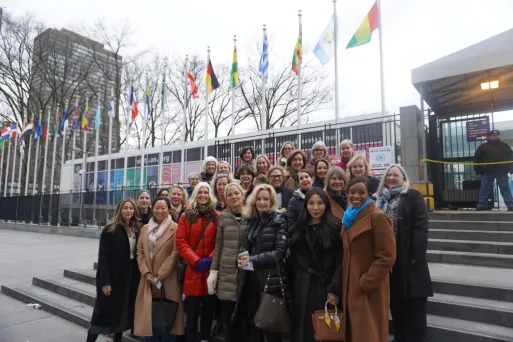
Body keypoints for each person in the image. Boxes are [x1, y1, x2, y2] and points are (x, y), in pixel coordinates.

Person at [375, 164, 433, 342]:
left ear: (403, 178)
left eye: (395, 175)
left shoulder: (413, 196)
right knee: (397, 311)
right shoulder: (379, 200)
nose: (391, 178)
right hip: (389, 264)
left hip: (409, 263)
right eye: (388, 175)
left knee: (414, 314)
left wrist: (415, 257)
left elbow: (421, 228)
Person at [341, 176, 396, 342]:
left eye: (361, 192)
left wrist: (366, 282)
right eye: (352, 192)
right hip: (351, 285)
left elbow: (387, 256)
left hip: (370, 288)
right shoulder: (349, 217)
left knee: (369, 333)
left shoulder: (377, 217)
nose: (356, 196)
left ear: (369, 194)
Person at [234, 184, 290, 342]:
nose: (262, 202)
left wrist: (252, 260)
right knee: (253, 325)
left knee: (270, 326)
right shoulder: (252, 220)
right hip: (250, 279)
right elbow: (244, 245)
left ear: (272, 201)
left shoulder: (279, 220)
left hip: (269, 280)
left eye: (266, 199)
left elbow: (279, 253)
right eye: (259, 199)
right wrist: (240, 257)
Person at [288, 188, 342, 342]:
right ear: (306, 205)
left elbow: (340, 260)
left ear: (326, 205)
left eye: (320, 203)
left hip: (323, 286)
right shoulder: (298, 228)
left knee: (323, 329)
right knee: (301, 329)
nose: (316, 208)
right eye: (311, 203)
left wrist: (335, 289)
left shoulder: (335, 227)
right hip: (300, 285)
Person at [86, 198, 141, 342]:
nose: (128, 211)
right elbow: (103, 256)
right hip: (112, 278)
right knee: (101, 313)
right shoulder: (110, 229)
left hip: (129, 278)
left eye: (131, 208)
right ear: (120, 210)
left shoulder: (136, 229)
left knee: (122, 313)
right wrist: (105, 281)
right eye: (125, 208)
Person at [134, 197, 185, 341]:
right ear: (152, 209)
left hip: (168, 280)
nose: (160, 211)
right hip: (148, 280)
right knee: (149, 318)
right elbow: (140, 252)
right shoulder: (145, 229)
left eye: (163, 208)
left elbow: (175, 253)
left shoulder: (175, 227)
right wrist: (147, 273)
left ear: (169, 209)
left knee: (169, 317)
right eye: (157, 207)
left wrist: (160, 275)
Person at [176, 182, 219, 342]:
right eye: (200, 192)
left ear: (210, 195)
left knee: (208, 310)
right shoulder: (185, 216)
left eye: (206, 192)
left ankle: (205, 338)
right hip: (193, 270)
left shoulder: (217, 216)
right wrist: (195, 261)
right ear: (195, 194)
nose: (203, 195)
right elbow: (181, 242)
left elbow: (220, 242)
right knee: (192, 312)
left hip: (210, 271)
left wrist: (210, 259)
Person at [207, 183, 247, 342]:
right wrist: (213, 271)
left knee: (244, 320)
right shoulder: (223, 216)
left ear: (243, 195)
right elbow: (219, 245)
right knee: (229, 319)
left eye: (236, 193)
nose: (234, 197)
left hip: (246, 273)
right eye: (229, 194)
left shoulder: (252, 214)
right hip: (226, 272)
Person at [474, 129, 513, 211]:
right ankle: (482, 205)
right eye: (493, 135)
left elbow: (511, 158)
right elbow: (477, 159)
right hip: (487, 171)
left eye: (497, 135)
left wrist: (511, 168)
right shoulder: (482, 147)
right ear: (489, 136)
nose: (496, 136)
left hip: (501, 171)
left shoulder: (505, 146)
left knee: (505, 188)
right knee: (484, 189)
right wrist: (478, 170)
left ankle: (510, 205)